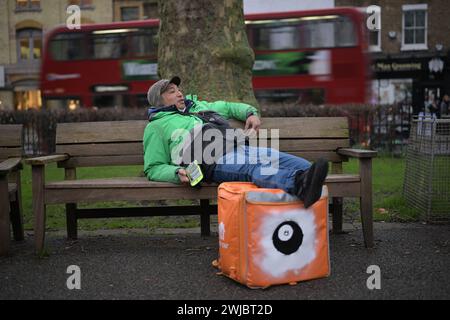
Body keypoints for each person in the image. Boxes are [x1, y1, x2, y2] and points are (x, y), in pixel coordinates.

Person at [143, 76, 328, 208]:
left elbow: (230, 107)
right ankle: (298, 185)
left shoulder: (199, 107)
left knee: (295, 163)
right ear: (159, 101)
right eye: (172, 91)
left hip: (236, 146)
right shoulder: (157, 126)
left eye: (179, 89)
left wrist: (250, 113)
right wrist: (177, 172)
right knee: (253, 168)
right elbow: (154, 167)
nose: (179, 93)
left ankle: (304, 183)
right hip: (209, 161)